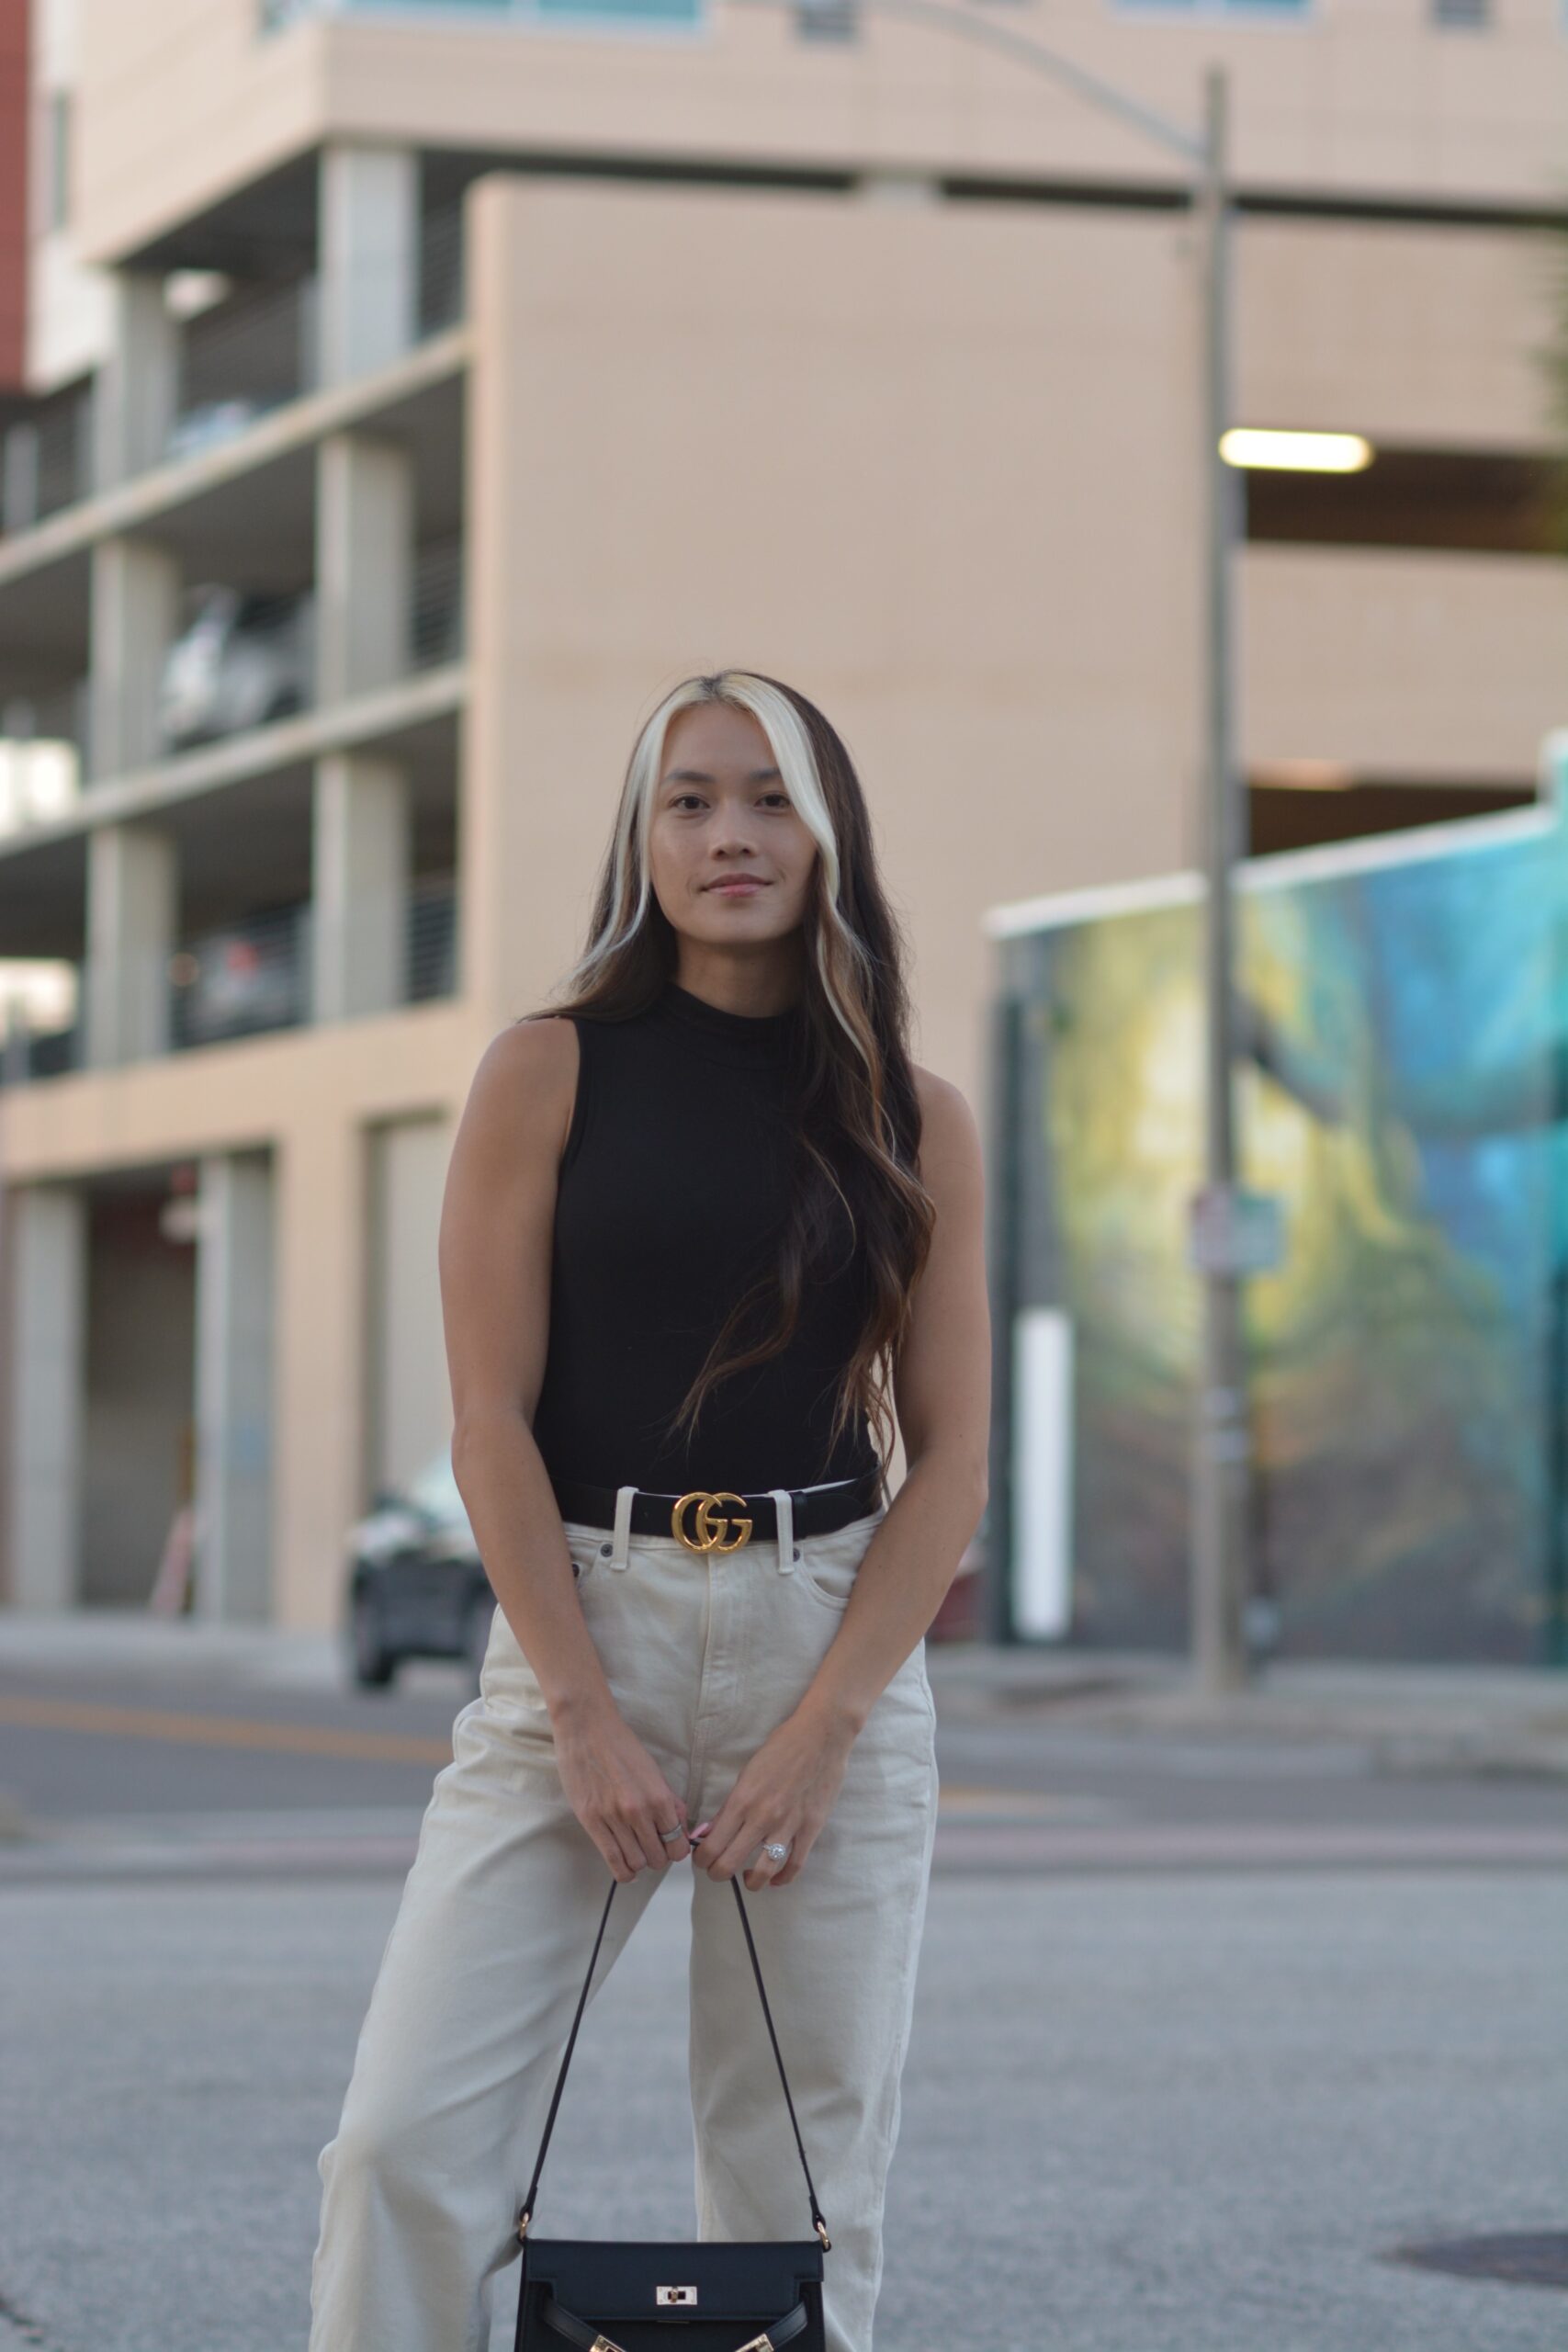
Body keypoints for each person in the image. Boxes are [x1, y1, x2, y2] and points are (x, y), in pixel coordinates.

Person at [307, 668, 990, 2352]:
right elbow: (488, 1424)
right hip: (585, 1626)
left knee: (801, 2179)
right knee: (403, 2147)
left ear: (827, 836)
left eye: (769, 799)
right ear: (643, 838)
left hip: (826, 1639)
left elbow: (954, 1463)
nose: (729, 835)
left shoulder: (916, 1117)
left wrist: (825, 1731)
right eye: (690, 801)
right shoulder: (546, 1071)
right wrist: (581, 1710)